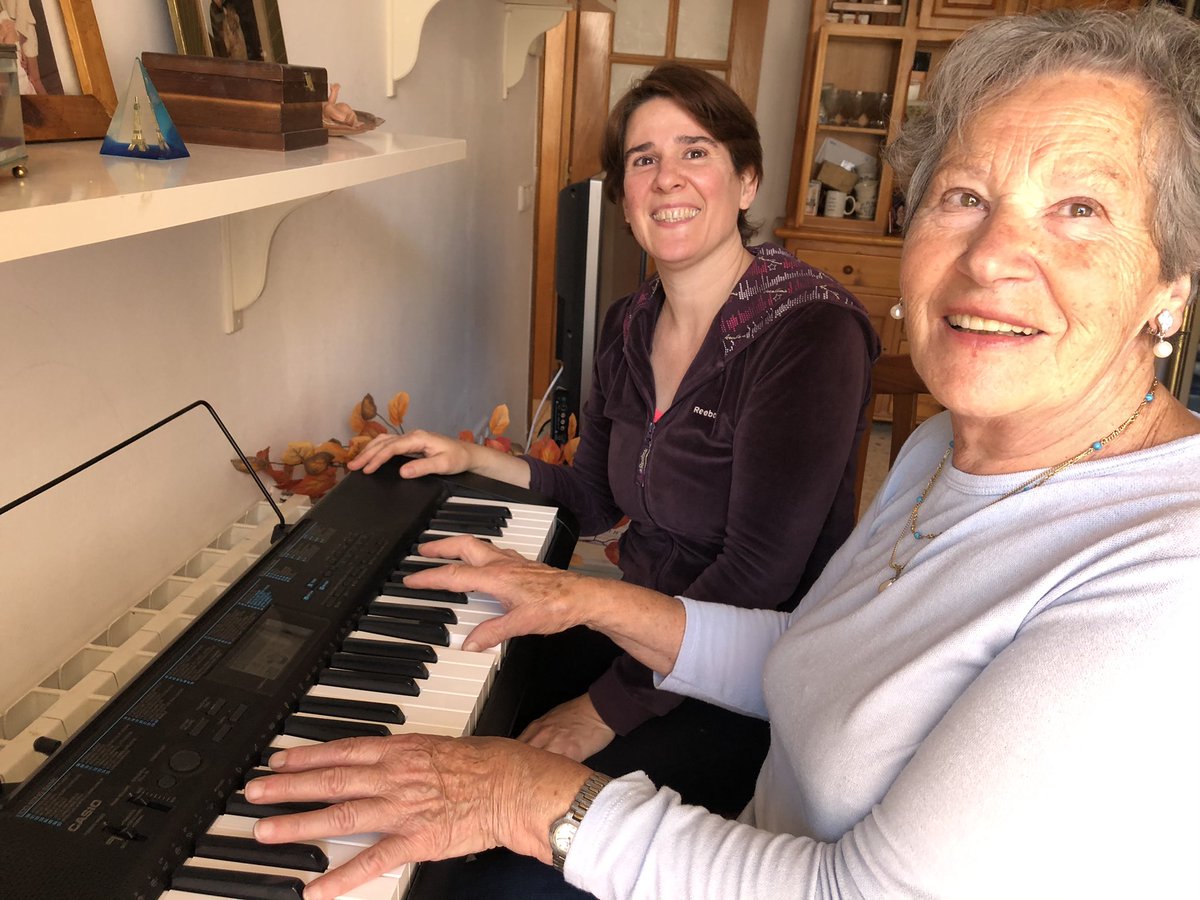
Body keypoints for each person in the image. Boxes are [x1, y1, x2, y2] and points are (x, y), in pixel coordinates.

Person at [247, 7, 1200, 897]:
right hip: (727, 738)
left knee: (463, 864)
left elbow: (768, 605)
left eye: (1080, 208)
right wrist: (568, 581)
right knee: (445, 700)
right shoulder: (936, 451)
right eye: (964, 195)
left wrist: (530, 787)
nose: (991, 256)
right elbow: (809, 652)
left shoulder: (1167, 578)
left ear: (1174, 283)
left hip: (721, 761)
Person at [348, 62, 878, 818]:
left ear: (746, 181)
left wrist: (602, 709)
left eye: (695, 152)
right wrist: (473, 458)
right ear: (625, 199)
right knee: (450, 701)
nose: (667, 178)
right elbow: (595, 500)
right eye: (643, 159)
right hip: (633, 627)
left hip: (746, 680)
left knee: (499, 826)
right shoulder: (629, 323)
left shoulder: (809, 332)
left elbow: (758, 574)